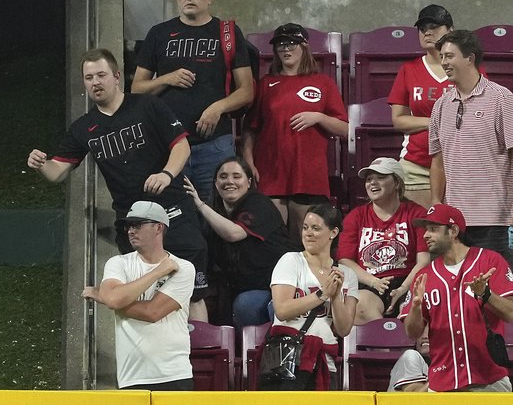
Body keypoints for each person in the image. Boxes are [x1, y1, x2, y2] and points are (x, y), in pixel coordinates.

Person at [28, 48, 210, 320]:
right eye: (89, 78)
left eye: (101, 75)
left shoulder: (148, 105)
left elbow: (181, 147)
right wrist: (42, 164)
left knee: (193, 294)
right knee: (139, 296)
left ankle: (198, 357)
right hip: (132, 221)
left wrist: (166, 174)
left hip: (173, 211)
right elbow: (57, 172)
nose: (95, 83)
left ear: (116, 76)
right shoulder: (83, 128)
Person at [132, 0, 255, 195]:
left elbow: (247, 90)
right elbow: (137, 89)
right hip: (168, 143)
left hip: (215, 143)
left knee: (217, 215)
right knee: (173, 217)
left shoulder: (227, 32)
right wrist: (167, 79)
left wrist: (218, 107)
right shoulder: (159, 33)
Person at [429, 30, 513, 269]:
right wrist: (436, 204)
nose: (444, 62)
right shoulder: (440, 106)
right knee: (454, 296)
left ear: (470, 58)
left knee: (499, 297)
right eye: (442, 57)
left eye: (450, 56)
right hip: (454, 223)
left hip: (498, 223)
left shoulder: (501, 98)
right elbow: (438, 160)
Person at [402, 203, 513, 392]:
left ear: (453, 231)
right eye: (426, 230)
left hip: (489, 379)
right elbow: (412, 332)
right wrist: (416, 307)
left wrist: (486, 294)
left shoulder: (490, 261)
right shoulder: (424, 276)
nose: (426, 235)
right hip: (442, 382)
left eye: (433, 229)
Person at [241, 23, 347, 238]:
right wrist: (248, 163)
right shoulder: (265, 84)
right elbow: (250, 130)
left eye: (291, 43)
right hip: (271, 172)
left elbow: (344, 128)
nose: (285, 49)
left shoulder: (323, 83)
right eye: (280, 44)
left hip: (308, 174)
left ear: (304, 46)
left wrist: (318, 116)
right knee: (271, 238)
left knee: (306, 238)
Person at [81, 200, 197, 390]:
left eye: (137, 225)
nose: (130, 231)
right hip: (131, 377)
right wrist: (158, 272)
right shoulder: (118, 263)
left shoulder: (183, 268)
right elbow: (114, 299)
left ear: (158, 228)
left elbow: (153, 312)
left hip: (174, 374)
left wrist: (106, 298)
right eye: (128, 226)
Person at [184, 157, 295, 327]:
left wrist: (199, 205)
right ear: (215, 183)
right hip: (238, 287)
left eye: (236, 176)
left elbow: (233, 233)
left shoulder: (259, 203)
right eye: (223, 177)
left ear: (249, 182)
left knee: (246, 304)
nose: (229, 181)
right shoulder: (213, 214)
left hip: (276, 288)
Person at [264, 203, 359, 390]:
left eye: (316, 228)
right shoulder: (291, 261)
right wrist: (322, 294)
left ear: (333, 233)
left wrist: (336, 295)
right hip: (289, 358)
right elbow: (282, 310)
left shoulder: (347, 275)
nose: (308, 233)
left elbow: (344, 329)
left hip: (325, 360)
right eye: (305, 227)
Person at [337, 157, 432, 324]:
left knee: (417, 306)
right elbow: (345, 261)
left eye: (380, 177)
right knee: (360, 305)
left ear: (397, 183)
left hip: (408, 280)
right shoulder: (356, 216)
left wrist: (403, 289)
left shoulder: (417, 214)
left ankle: (409, 349)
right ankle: (387, 347)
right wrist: (374, 282)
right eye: (369, 179)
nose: (373, 183)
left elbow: (423, 261)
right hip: (369, 282)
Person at [388, 4, 457, 208]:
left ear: (450, 30)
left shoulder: (465, 68)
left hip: (459, 163)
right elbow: (398, 120)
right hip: (417, 163)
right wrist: (434, 122)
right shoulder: (409, 70)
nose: (427, 32)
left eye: (434, 26)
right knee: (420, 230)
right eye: (423, 27)